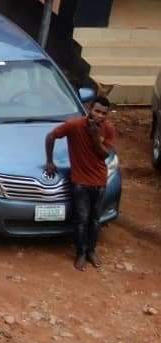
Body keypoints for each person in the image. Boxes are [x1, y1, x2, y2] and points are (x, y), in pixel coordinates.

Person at [44, 95, 115, 271]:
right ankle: (81, 253)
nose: (99, 116)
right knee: (81, 219)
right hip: (80, 182)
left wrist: (95, 135)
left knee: (95, 219)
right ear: (90, 108)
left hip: (99, 181)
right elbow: (51, 136)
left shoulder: (108, 128)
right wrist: (49, 161)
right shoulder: (74, 125)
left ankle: (91, 251)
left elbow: (104, 154)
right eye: (97, 111)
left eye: (103, 113)